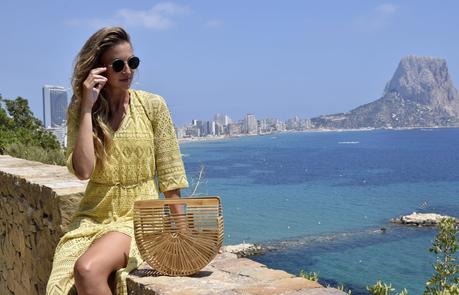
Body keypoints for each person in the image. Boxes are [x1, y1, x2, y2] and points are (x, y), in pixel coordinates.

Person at [46, 27, 189, 295]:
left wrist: (183, 236)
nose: (128, 70)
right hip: (92, 217)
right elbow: (84, 171)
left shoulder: (152, 105)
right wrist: (87, 107)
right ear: (99, 69)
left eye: (132, 62)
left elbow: (171, 176)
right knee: (61, 284)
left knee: (86, 270)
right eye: (118, 64)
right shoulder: (81, 110)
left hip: (141, 215)